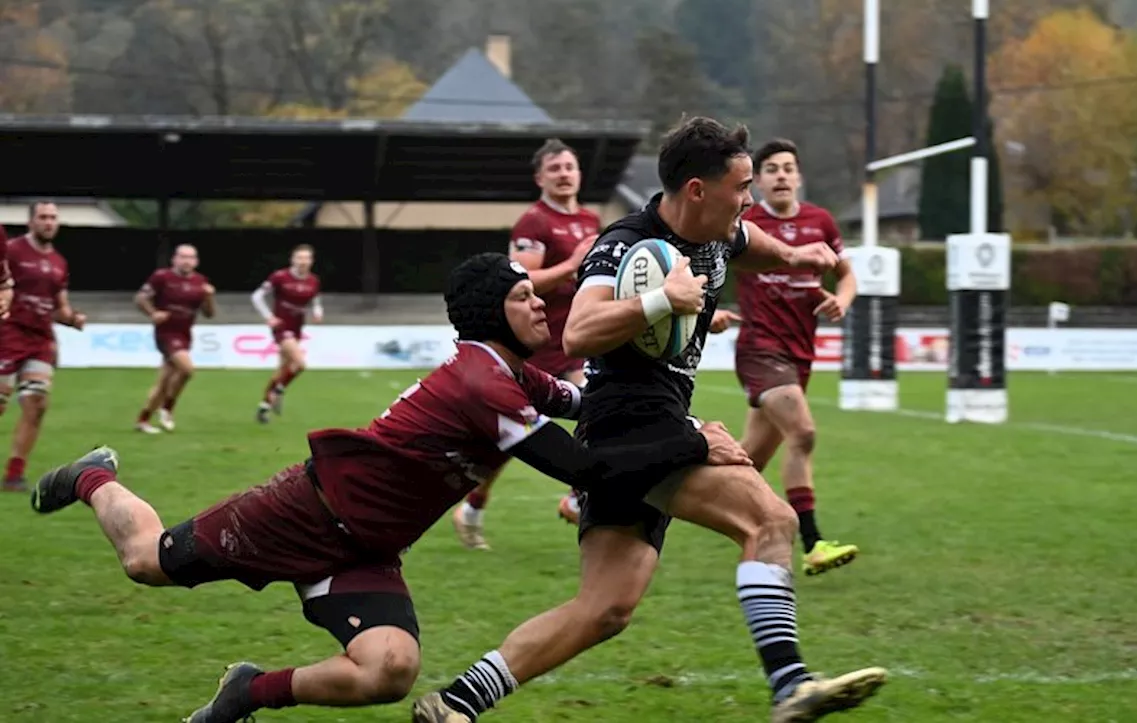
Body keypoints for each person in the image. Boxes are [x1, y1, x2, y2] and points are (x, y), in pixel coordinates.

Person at [28, 252, 749, 723]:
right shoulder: (480, 382)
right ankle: (95, 475)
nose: (543, 309)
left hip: (366, 549)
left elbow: (595, 408)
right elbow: (583, 468)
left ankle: (250, 690)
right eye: (528, 297)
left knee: (390, 670)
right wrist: (690, 440)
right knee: (147, 561)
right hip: (300, 513)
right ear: (494, 309)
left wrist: (672, 333)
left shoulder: (508, 373)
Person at [413, 118, 885, 723]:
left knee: (604, 609)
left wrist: (796, 253)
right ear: (696, 189)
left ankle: (455, 704)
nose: (750, 201)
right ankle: (790, 683)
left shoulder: (721, 232)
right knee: (770, 521)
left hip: (645, 420)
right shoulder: (626, 245)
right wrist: (664, 301)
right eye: (741, 187)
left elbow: (752, 246)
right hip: (629, 420)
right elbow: (579, 331)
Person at [710, 138, 859, 576]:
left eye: (788, 168)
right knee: (804, 433)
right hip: (760, 349)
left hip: (799, 353)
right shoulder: (746, 221)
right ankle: (813, 542)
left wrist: (843, 301)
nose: (780, 175)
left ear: (798, 176)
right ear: (758, 180)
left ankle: (664, 503)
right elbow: (703, 259)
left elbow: (847, 275)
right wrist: (707, 304)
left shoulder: (821, 221)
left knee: (745, 461)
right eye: (771, 169)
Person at [451, 139, 600, 550]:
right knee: (510, 437)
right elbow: (522, 281)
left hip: (576, 336)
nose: (564, 173)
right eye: (555, 168)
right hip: (538, 340)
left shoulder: (590, 219)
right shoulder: (533, 223)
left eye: (570, 166)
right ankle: (477, 508)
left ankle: (573, 498)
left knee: (588, 411)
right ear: (540, 178)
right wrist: (573, 264)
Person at [0, 201, 86, 492]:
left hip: (40, 339)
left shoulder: (59, 263)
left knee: (36, 404)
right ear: (30, 222)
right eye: (43, 217)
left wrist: (73, 319)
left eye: (53, 217)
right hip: (7, 333)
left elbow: (59, 307)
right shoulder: (11, 250)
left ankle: (14, 473)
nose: (49, 222)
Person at [134, 244, 216, 433]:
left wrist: (209, 297)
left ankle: (143, 419)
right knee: (187, 370)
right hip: (166, 333)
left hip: (185, 334)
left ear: (196, 261)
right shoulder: (162, 277)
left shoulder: (200, 281)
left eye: (191, 257)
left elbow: (209, 314)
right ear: (175, 259)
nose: (187, 261)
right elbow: (140, 298)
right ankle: (168, 408)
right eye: (183, 257)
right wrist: (153, 313)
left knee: (164, 381)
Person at [251, 244, 322, 423]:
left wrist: (317, 310)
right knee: (300, 363)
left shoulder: (313, 280)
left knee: (282, 370)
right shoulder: (280, 277)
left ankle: (264, 407)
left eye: (306, 258)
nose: (303, 261)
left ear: (311, 261)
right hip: (282, 327)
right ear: (292, 259)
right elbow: (257, 296)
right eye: (299, 258)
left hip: (297, 327)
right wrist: (269, 317)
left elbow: (315, 298)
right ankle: (278, 390)